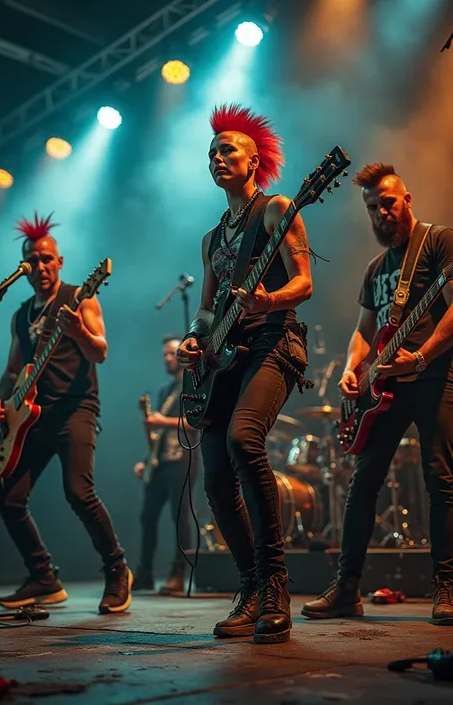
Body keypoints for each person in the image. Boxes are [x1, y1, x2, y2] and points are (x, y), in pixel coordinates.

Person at [177, 104, 314, 644]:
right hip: (223, 358)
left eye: (227, 149)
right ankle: (251, 586)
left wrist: (266, 299)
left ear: (254, 159)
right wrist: (193, 339)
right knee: (213, 477)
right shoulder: (212, 240)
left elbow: (304, 284)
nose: (216, 158)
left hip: (275, 341)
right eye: (211, 153)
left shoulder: (278, 210)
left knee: (243, 439)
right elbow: (207, 312)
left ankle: (277, 581)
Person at [301, 163, 453, 626]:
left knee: (440, 478)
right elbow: (364, 331)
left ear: (406, 199)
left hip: (433, 376)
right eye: (372, 207)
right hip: (382, 388)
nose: (380, 213)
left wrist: (421, 357)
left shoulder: (439, 241)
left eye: (387, 202)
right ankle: (347, 587)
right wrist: (351, 368)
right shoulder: (375, 268)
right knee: (362, 483)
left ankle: (446, 585)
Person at [0, 213, 132, 613]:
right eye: (34, 260)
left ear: (60, 261)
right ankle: (43, 577)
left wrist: (78, 333)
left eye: (48, 258)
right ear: (25, 266)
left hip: (76, 408)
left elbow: (100, 351)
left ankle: (117, 570)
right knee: (9, 500)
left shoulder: (79, 297)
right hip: (31, 417)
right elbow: (13, 370)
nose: (42, 266)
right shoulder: (20, 315)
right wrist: (0, 403)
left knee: (78, 491)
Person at [132, 335, 198, 595]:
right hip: (160, 462)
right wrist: (146, 460)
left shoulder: (193, 385)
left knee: (179, 517)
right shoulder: (164, 391)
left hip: (181, 459)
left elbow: (196, 423)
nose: (168, 358)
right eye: (165, 355)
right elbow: (157, 435)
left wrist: (162, 422)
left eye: (172, 353)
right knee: (147, 516)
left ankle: (179, 574)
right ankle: (145, 573)